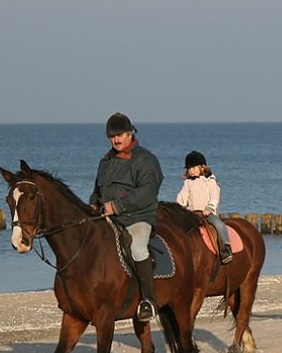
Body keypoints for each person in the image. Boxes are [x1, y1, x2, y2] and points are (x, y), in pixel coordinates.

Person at [89, 112, 164, 321]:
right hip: (110, 218)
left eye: (119, 134)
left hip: (137, 218)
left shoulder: (146, 160)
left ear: (130, 133)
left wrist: (117, 205)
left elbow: (148, 192)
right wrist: (93, 204)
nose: (116, 139)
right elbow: (97, 188)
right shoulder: (106, 161)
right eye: (112, 136)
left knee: (138, 248)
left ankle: (149, 301)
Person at [176, 150, 232, 264]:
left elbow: (215, 195)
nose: (191, 171)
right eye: (189, 169)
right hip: (192, 214)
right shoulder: (188, 183)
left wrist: (210, 207)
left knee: (219, 224)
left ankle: (225, 248)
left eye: (193, 168)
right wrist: (179, 207)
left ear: (202, 167)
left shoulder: (210, 181)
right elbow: (182, 197)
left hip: (207, 213)